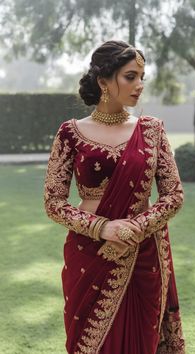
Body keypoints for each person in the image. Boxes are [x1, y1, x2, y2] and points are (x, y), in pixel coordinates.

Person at [44, 40, 185, 354]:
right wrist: (103, 228)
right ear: (104, 81)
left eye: (141, 77)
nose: (140, 85)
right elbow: (53, 202)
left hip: (144, 253)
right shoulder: (70, 133)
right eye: (130, 76)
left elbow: (173, 194)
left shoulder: (152, 131)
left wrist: (134, 228)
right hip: (90, 253)